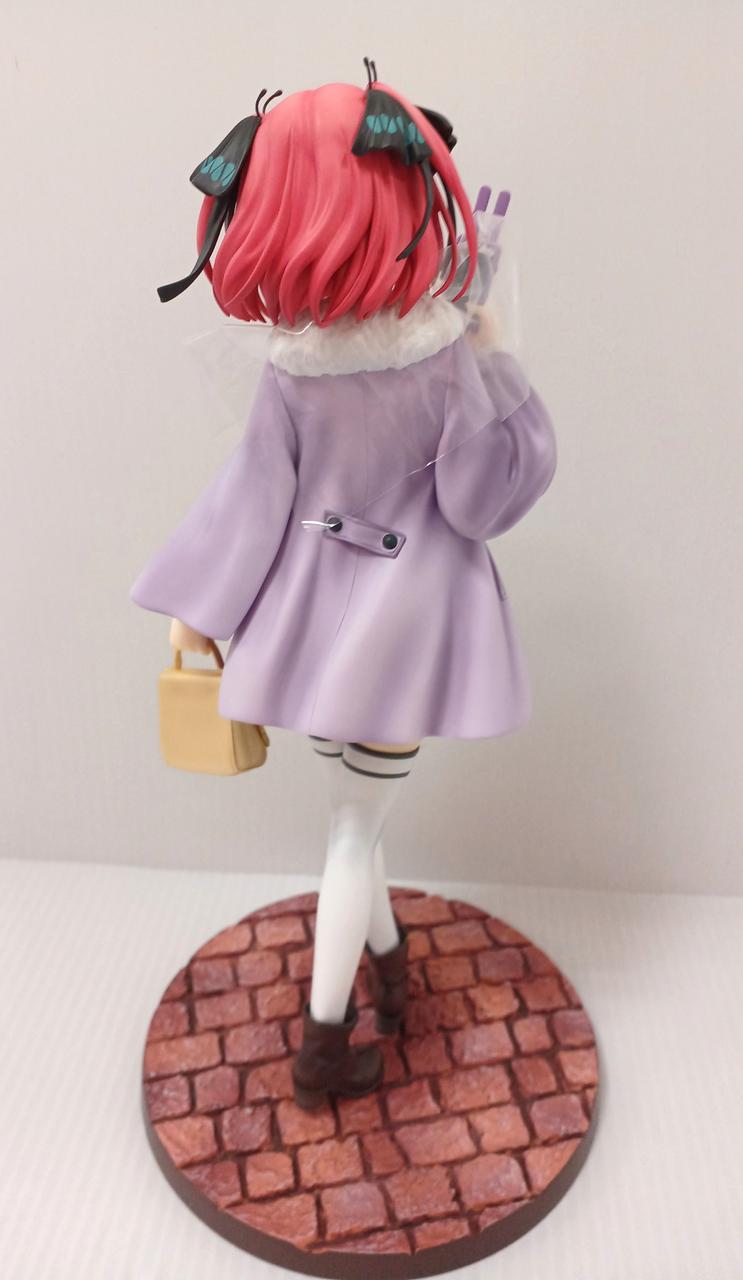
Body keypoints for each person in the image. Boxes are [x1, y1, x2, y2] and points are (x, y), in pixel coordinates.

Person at [130, 66, 557, 1110]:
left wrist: (197, 607)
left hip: (308, 631)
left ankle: (391, 966)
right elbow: (480, 499)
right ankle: (324, 1045)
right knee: (353, 829)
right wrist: (501, 367)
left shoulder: (292, 367)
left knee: (354, 812)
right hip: (403, 636)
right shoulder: (440, 358)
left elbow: (247, 499)